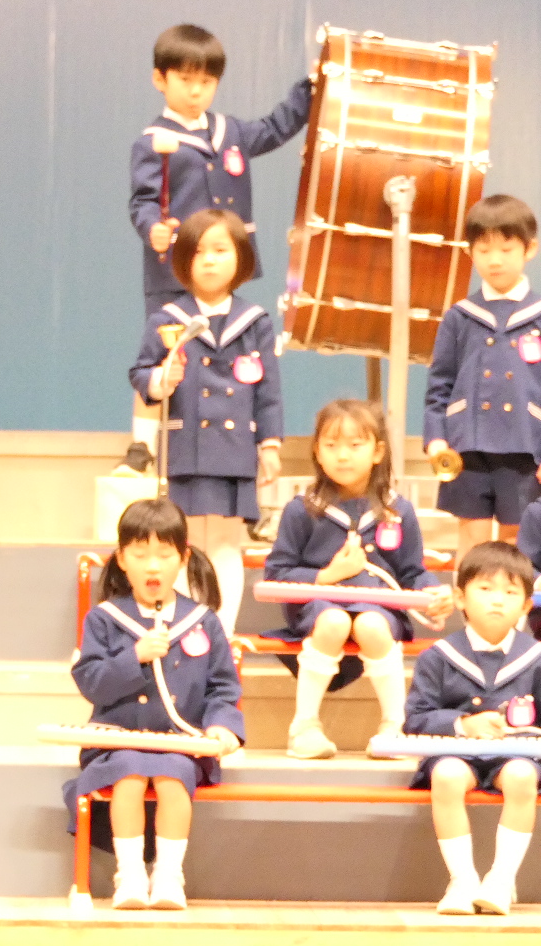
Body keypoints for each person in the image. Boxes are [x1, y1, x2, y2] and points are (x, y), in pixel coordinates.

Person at [116, 25, 311, 480]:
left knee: (225, 356)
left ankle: (220, 446)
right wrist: (153, 230)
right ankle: (141, 447)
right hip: (173, 271)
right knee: (160, 355)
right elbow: (142, 202)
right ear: (160, 79)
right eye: (185, 80)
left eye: (206, 82)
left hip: (223, 269)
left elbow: (276, 127)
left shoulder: (231, 132)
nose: (196, 91)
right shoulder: (151, 141)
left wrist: (311, 89)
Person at [65, 498, 244, 910]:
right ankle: (129, 876)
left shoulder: (203, 620)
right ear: (121, 559)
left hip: (180, 743)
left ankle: (168, 876)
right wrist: (135, 657)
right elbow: (90, 682)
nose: (152, 566)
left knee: (172, 776)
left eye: (164, 554)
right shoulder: (104, 619)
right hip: (118, 741)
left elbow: (222, 687)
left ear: (183, 558)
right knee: (128, 775)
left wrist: (222, 726)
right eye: (140, 554)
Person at [263, 400, 451, 759]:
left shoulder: (398, 510)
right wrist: (327, 576)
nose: (342, 455)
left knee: (372, 625)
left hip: (379, 606)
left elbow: (412, 571)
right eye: (331, 445)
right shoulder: (301, 509)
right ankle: (304, 727)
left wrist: (432, 592)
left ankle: (395, 725)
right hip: (318, 606)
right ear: (316, 451)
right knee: (333, 621)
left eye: (355, 445)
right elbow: (278, 573)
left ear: (377, 451)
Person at [128, 209, 282, 632]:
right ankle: (186, 630)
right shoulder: (167, 319)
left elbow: (269, 391)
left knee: (227, 544)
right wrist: (163, 379)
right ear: (183, 261)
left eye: (220, 250)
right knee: (186, 543)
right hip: (187, 447)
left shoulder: (255, 322)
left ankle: (221, 636)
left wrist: (270, 445)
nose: (209, 260)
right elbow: (140, 374)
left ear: (241, 257)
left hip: (235, 451)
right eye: (198, 252)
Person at [404, 541, 541, 915]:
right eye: (485, 588)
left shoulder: (535, 657)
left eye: (510, 592)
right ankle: (462, 880)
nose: (497, 600)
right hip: (455, 751)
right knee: (447, 775)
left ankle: (501, 880)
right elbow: (416, 718)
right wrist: (463, 724)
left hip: (517, 755)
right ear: (460, 598)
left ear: (526, 606)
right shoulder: (438, 656)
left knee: (522, 776)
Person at [424, 195, 541, 562]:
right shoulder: (460, 316)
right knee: (470, 537)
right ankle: (467, 601)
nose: (495, 260)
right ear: (469, 253)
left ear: (530, 249)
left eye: (506, 249)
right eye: (484, 249)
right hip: (467, 447)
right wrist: (436, 439)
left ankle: (513, 602)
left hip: (526, 447)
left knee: (517, 540)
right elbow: (439, 386)